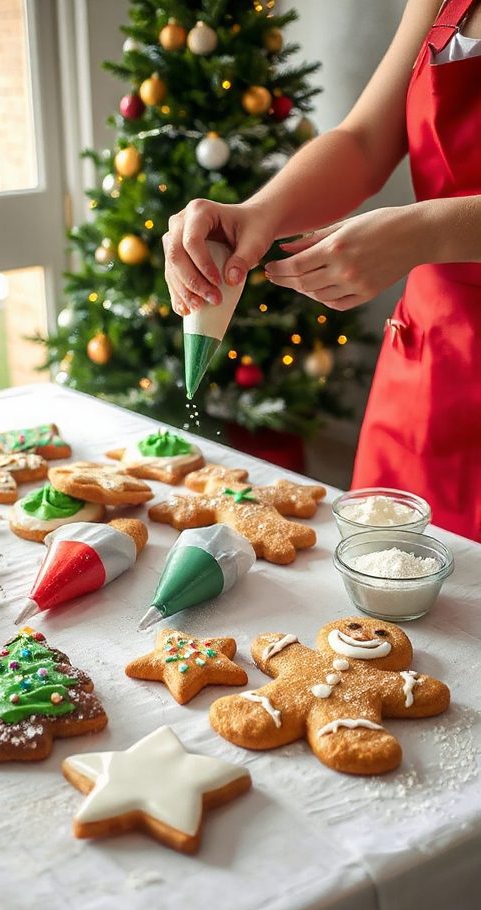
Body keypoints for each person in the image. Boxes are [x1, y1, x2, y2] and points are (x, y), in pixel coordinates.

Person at [162, 0, 481, 542]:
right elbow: (365, 142)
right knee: (383, 574)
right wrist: (259, 213)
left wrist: (429, 231)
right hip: (431, 366)